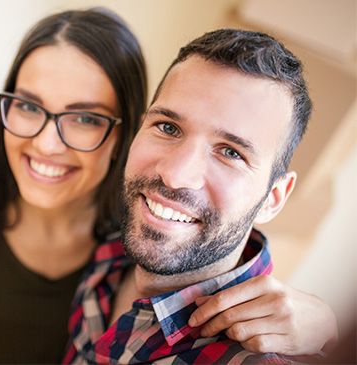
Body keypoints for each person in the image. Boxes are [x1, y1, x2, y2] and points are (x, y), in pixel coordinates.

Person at [0, 9, 336, 364]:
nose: (43, 143)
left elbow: (220, 259)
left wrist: (327, 329)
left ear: (124, 131)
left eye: (83, 118)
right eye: (28, 105)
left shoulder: (143, 230)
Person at [63, 28, 338, 364]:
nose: (177, 174)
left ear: (274, 198)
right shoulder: (106, 253)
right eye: (167, 127)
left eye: (231, 153)